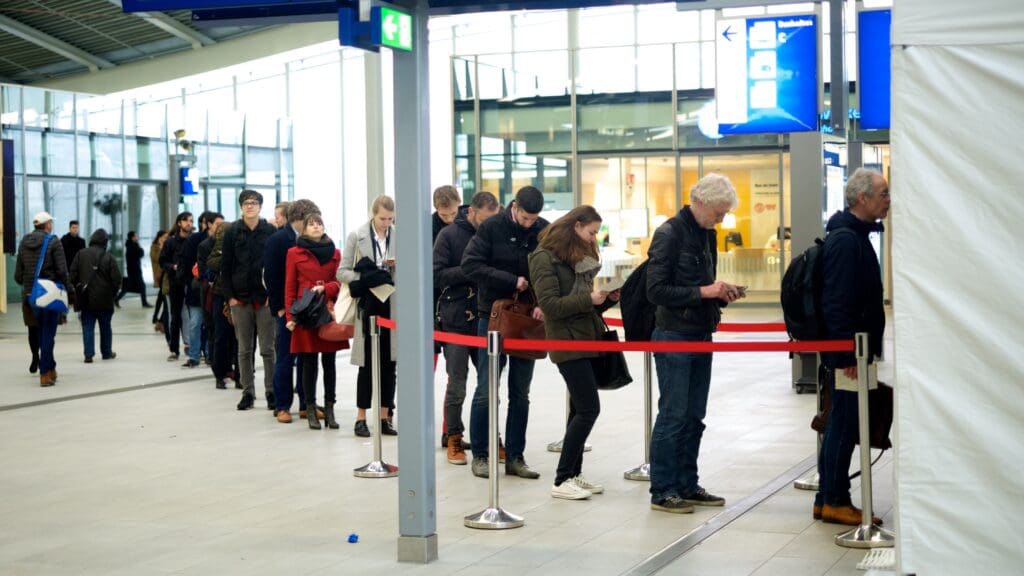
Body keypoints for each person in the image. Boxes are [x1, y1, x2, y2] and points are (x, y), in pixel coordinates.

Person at [646, 173, 744, 514]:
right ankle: (663, 489)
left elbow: (701, 282)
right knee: (673, 413)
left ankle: (687, 483)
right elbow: (655, 290)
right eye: (718, 212)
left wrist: (720, 291)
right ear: (699, 201)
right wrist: (704, 291)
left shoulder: (707, 234)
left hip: (701, 331)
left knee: (694, 415)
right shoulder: (669, 233)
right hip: (674, 333)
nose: (721, 219)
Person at [814, 168, 890, 527]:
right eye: (883, 193)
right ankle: (835, 500)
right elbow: (838, 302)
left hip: (854, 349)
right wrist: (848, 354)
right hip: (849, 352)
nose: (888, 200)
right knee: (844, 424)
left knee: (840, 423)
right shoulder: (846, 240)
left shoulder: (855, 234)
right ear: (863, 198)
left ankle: (825, 497)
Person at [529, 205, 620, 500]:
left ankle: (573, 474)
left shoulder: (578, 257)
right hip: (566, 341)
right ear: (576, 226)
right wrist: (588, 298)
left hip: (586, 337)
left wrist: (605, 300)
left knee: (578, 410)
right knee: (589, 408)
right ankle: (561, 478)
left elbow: (583, 303)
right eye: (592, 232)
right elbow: (552, 307)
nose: (594, 238)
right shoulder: (543, 258)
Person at [462, 185, 549, 479]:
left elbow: (551, 271)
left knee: (520, 392)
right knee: (487, 389)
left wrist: (541, 300)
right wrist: (512, 280)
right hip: (493, 317)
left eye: (533, 220)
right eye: (524, 218)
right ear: (514, 206)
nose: (528, 224)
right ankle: (481, 455)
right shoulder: (490, 228)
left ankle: (515, 456)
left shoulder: (544, 230)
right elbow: (470, 265)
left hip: (527, 320)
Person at [433, 191, 500, 464]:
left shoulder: (495, 234)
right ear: (471, 211)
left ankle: (490, 437)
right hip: (456, 318)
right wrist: (471, 269)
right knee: (457, 383)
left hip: (486, 318)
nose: (487, 225)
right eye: (484, 219)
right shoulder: (448, 236)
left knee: (488, 385)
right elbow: (437, 275)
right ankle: (454, 437)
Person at [340, 195, 398, 437]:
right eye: (382, 218)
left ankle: (385, 416)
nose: (386, 223)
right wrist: (365, 278)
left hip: (392, 304)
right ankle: (361, 416)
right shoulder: (357, 235)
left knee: (389, 363)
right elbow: (341, 271)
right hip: (368, 305)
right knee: (367, 364)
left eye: (390, 219)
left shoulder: (398, 236)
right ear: (373, 214)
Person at [284, 213, 348, 430]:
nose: (316, 227)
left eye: (319, 223)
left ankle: (330, 409)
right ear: (304, 229)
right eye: (311, 224)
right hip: (305, 312)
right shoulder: (294, 253)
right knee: (308, 362)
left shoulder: (335, 252)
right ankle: (310, 407)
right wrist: (291, 317)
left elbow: (340, 282)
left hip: (327, 312)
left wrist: (326, 288)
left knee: (330, 362)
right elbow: (290, 285)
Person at [221, 190, 277, 411]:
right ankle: (247, 392)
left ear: (260, 207)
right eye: (246, 203)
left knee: (268, 349)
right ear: (241, 207)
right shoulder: (232, 231)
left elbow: (275, 266)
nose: (250, 206)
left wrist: (272, 295)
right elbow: (225, 266)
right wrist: (230, 297)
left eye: (254, 203)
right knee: (244, 349)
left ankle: (271, 391)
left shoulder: (270, 231)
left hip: (264, 299)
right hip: (240, 299)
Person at [265, 199, 320, 423]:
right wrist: (280, 308)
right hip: (287, 309)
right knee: (286, 358)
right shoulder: (278, 240)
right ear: (297, 219)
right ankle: (282, 405)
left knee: (308, 357)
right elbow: (271, 276)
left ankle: (307, 403)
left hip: (309, 309)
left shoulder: (312, 241)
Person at [15, 212, 69, 386]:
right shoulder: (54, 241)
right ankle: (45, 372)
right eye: (50, 223)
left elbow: (17, 276)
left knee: (39, 332)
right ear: (47, 225)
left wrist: (29, 283)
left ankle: (51, 368)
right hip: (48, 294)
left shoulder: (23, 242)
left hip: (30, 296)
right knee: (48, 334)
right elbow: (62, 270)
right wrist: (69, 289)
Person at [69, 229, 122, 363]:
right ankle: (106, 352)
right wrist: (113, 294)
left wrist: (79, 287)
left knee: (87, 326)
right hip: (105, 298)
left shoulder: (81, 254)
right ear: (105, 242)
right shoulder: (108, 257)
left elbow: (72, 275)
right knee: (105, 326)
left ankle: (88, 354)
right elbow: (117, 279)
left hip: (86, 297)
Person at [204, 221, 240, 390]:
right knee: (222, 336)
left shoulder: (241, 242)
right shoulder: (218, 246)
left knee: (239, 338)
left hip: (239, 294)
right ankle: (221, 374)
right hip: (221, 294)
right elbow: (211, 264)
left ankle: (238, 374)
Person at [159, 212, 193, 361]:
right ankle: (174, 349)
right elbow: (162, 260)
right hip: (175, 283)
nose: (189, 224)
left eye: (191, 221)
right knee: (175, 316)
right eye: (186, 221)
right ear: (179, 223)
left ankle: (189, 344)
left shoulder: (194, 240)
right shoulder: (171, 242)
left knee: (191, 316)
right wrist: (172, 266)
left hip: (192, 283)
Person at [116, 231, 150, 308]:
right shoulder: (131, 246)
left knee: (131, 286)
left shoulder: (132, 245)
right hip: (134, 270)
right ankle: (144, 303)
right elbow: (140, 253)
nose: (137, 237)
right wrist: (140, 248)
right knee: (138, 285)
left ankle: (117, 299)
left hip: (134, 269)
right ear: (132, 237)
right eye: (136, 236)